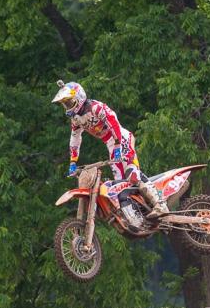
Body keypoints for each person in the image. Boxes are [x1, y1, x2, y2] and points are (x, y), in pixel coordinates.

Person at [53, 80, 164, 217]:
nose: (67, 106)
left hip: (121, 138)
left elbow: (113, 121)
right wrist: (73, 162)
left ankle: (160, 204)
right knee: (119, 183)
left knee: (131, 173)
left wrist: (118, 144)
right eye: (65, 104)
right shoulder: (76, 119)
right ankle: (134, 213)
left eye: (69, 102)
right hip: (111, 144)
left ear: (79, 97)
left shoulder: (96, 107)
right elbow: (75, 139)